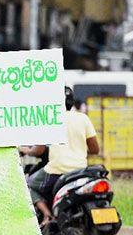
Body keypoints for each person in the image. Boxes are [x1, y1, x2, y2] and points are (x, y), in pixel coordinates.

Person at [21, 86, 99, 227]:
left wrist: (26, 151)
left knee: (28, 185)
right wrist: (77, 149)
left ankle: (46, 214)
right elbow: (94, 149)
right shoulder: (83, 118)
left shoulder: (50, 118)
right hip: (80, 170)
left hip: (56, 169)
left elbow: (39, 150)